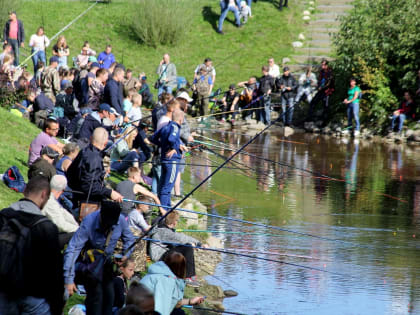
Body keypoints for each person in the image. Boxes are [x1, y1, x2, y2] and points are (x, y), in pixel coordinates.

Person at [0, 176, 64, 315]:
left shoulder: (4, 216)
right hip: (33, 297)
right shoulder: (46, 227)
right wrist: (57, 306)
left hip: (4, 291)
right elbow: (55, 273)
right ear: (44, 195)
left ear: (24, 191)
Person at [63, 201, 136, 315]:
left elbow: (130, 239)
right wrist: (69, 279)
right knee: (96, 297)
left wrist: (125, 255)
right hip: (89, 264)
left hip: (106, 264)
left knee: (109, 297)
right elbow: (73, 249)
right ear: (101, 215)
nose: (109, 226)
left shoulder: (120, 220)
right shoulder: (89, 221)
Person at [67, 127, 124, 204]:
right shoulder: (94, 158)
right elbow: (89, 186)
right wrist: (110, 192)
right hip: (82, 200)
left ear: (91, 138)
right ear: (106, 143)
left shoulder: (85, 151)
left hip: (75, 192)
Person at [149, 211, 207, 284]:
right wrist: (198, 244)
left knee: (185, 247)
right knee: (187, 247)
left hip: (164, 253)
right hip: (159, 257)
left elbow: (181, 237)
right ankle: (189, 277)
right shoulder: (164, 231)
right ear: (174, 222)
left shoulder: (165, 228)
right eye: (177, 220)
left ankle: (186, 275)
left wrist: (198, 243)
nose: (177, 223)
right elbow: (180, 238)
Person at [140, 251, 205, 315]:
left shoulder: (160, 273)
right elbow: (161, 308)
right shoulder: (165, 280)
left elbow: (172, 302)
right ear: (181, 268)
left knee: (179, 312)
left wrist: (189, 301)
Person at [152, 110, 188, 207]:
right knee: (167, 188)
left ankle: (166, 208)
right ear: (181, 119)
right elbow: (171, 139)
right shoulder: (175, 127)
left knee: (163, 186)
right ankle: (164, 212)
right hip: (172, 162)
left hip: (164, 159)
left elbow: (153, 138)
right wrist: (173, 148)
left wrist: (165, 146)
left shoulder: (166, 126)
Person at [41, 175, 79, 240]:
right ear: (63, 190)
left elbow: (65, 214)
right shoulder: (50, 202)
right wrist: (79, 229)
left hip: (43, 230)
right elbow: (61, 225)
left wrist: (76, 225)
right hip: (41, 236)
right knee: (74, 234)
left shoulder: (49, 197)